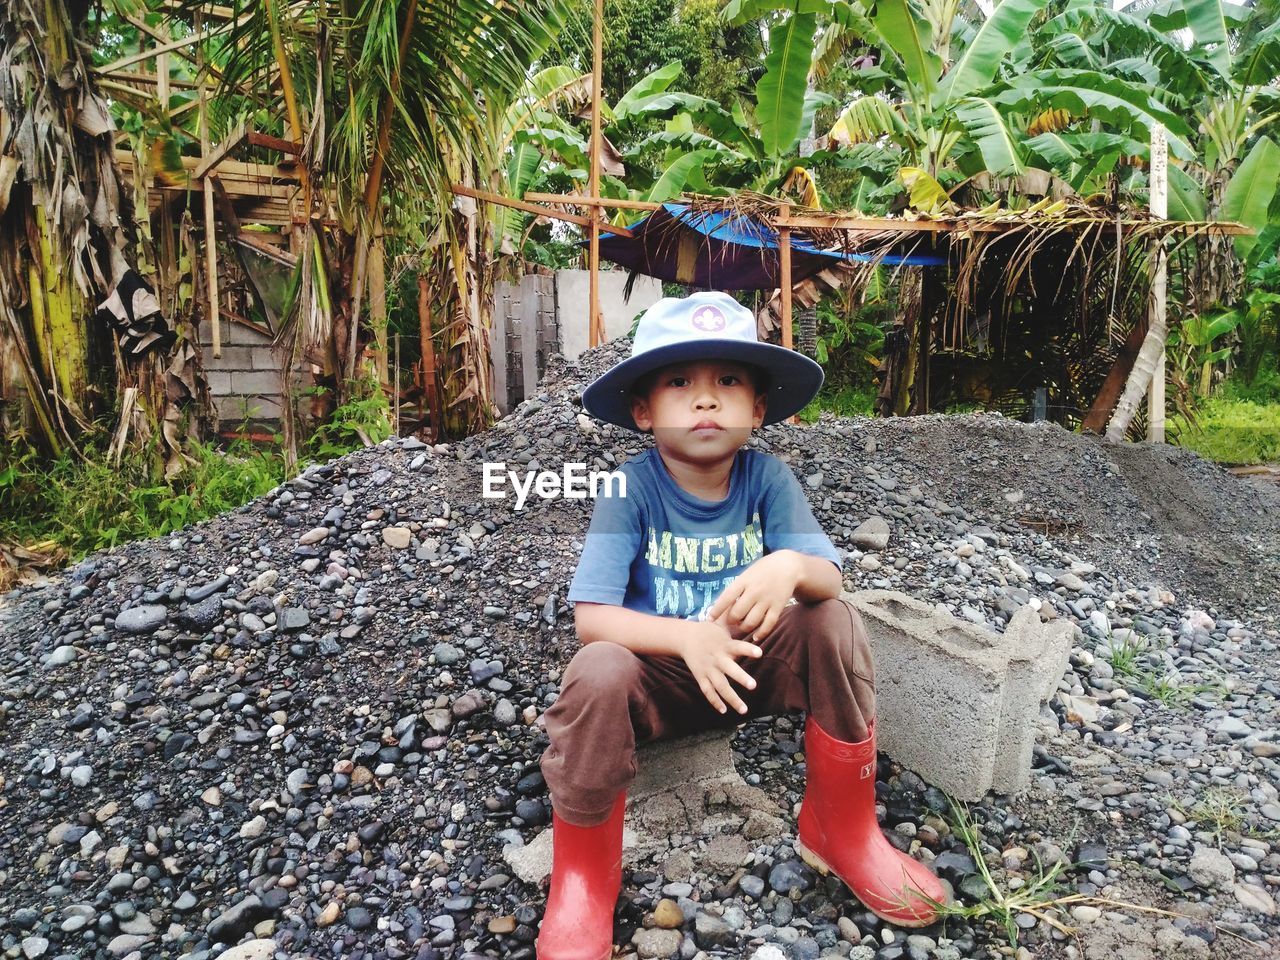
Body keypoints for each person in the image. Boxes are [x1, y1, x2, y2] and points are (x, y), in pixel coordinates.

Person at [535, 292, 945, 960]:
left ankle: (841, 830)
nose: (705, 400)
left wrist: (788, 565)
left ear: (757, 408)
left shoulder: (768, 479)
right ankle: (584, 877)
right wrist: (685, 637)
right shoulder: (627, 490)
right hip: (660, 684)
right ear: (643, 410)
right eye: (679, 383)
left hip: (747, 671)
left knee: (831, 620)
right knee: (599, 666)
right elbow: (591, 619)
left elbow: (829, 580)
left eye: (728, 381)